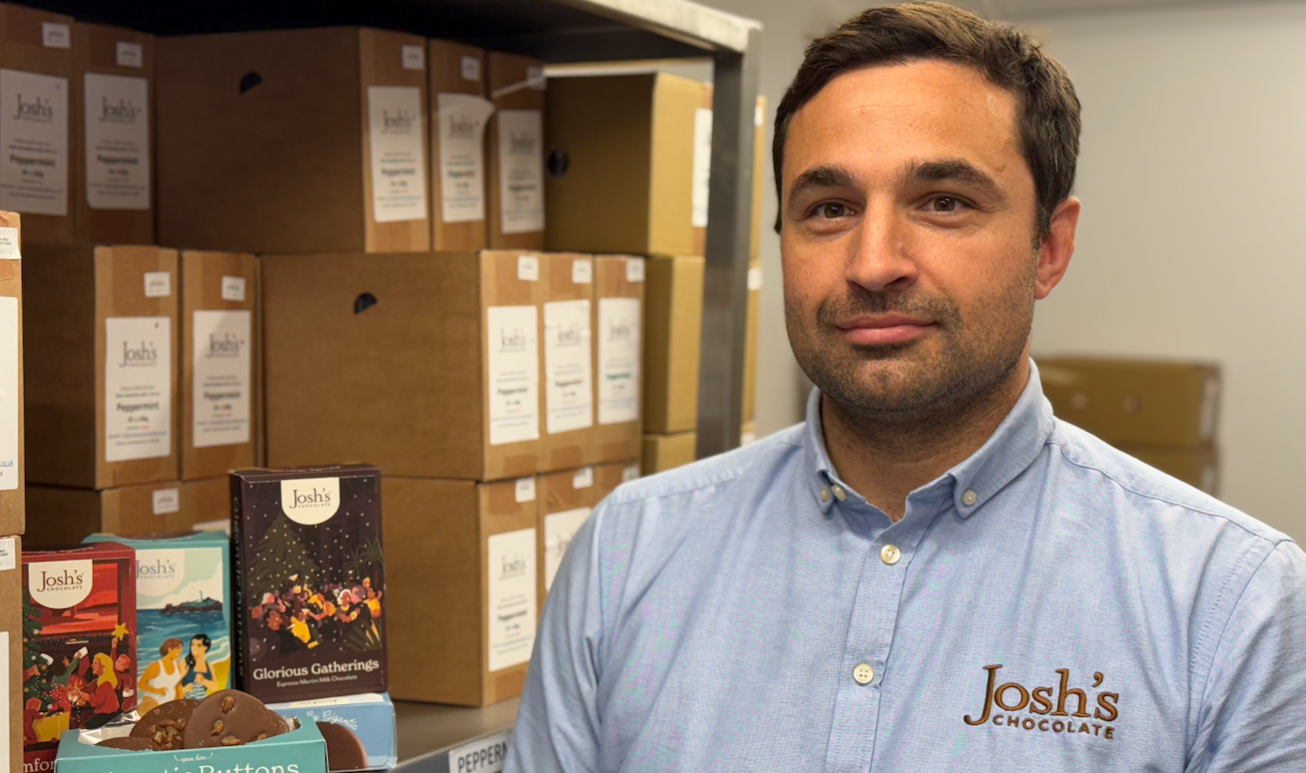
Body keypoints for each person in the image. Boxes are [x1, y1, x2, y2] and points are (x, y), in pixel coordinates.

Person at [506, 4, 1306, 771]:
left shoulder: (1228, 600)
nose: (873, 261)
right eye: (829, 208)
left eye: (944, 203)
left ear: (1050, 249)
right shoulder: (629, 552)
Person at [137, 638, 185, 715]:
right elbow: (141, 684)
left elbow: (178, 687)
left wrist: (181, 704)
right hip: (152, 703)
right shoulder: (156, 665)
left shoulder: (177, 666)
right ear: (170, 649)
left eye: (181, 648)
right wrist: (157, 690)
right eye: (177, 648)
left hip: (167, 706)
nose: (180, 651)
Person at [179, 634, 218, 699]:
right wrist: (184, 689)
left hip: (200, 700)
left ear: (205, 648)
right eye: (192, 645)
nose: (194, 648)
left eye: (199, 645)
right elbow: (174, 686)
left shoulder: (209, 666)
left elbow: (216, 688)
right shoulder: (185, 664)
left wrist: (203, 680)